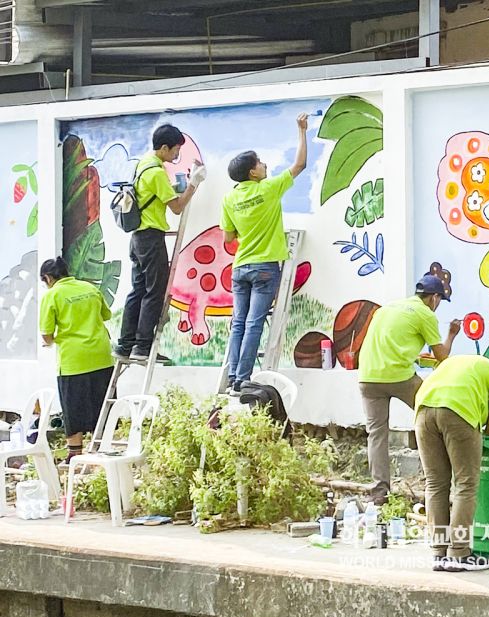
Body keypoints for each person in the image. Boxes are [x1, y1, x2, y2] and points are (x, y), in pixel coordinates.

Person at [220, 114, 309, 395]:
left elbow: (228, 237)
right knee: (254, 323)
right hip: (266, 267)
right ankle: (242, 378)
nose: (265, 164)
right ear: (253, 173)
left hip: (241, 266)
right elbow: (300, 165)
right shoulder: (268, 189)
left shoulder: (229, 198)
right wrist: (302, 131)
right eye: (260, 163)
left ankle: (233, 374)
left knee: (238, 323)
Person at [358, 275, 461, 504]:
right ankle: (441, 481)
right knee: (435, 415)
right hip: (398, 377)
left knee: (376, 434)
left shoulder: (388, 308)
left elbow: (391, 345)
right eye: (439, 301)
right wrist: (452, 334)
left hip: (367, 377)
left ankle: (379, 492)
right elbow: (442, 357)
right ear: (434, 298)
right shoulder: (425, 314)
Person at [413, 355, 489, 572]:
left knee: (435, 484)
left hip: (423, 408)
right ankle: (459, 553)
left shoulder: (473, 366)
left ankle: (439, 552)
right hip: (458, 409)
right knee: (466, 484)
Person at [115, 124, 206, 362]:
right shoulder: (156, 173)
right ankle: (143, 346)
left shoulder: (143, 164)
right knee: (155, 291)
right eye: (176, 150)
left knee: (138, 290)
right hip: (151, 238)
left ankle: (125, 344)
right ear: (164, 148)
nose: (177, 156)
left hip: (137, 238)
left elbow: (156, 195)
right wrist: (194, 184)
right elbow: (176, 207)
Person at [39, 257, 115, 461]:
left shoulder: (52, 295)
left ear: (48, 278)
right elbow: (105, 315)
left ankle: (74, 453)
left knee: (73, 406)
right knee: (102, 403)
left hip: (74, 360)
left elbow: (46, 334)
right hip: (102, 356)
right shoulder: (90, 288)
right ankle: (104, 449)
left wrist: (51, 341)